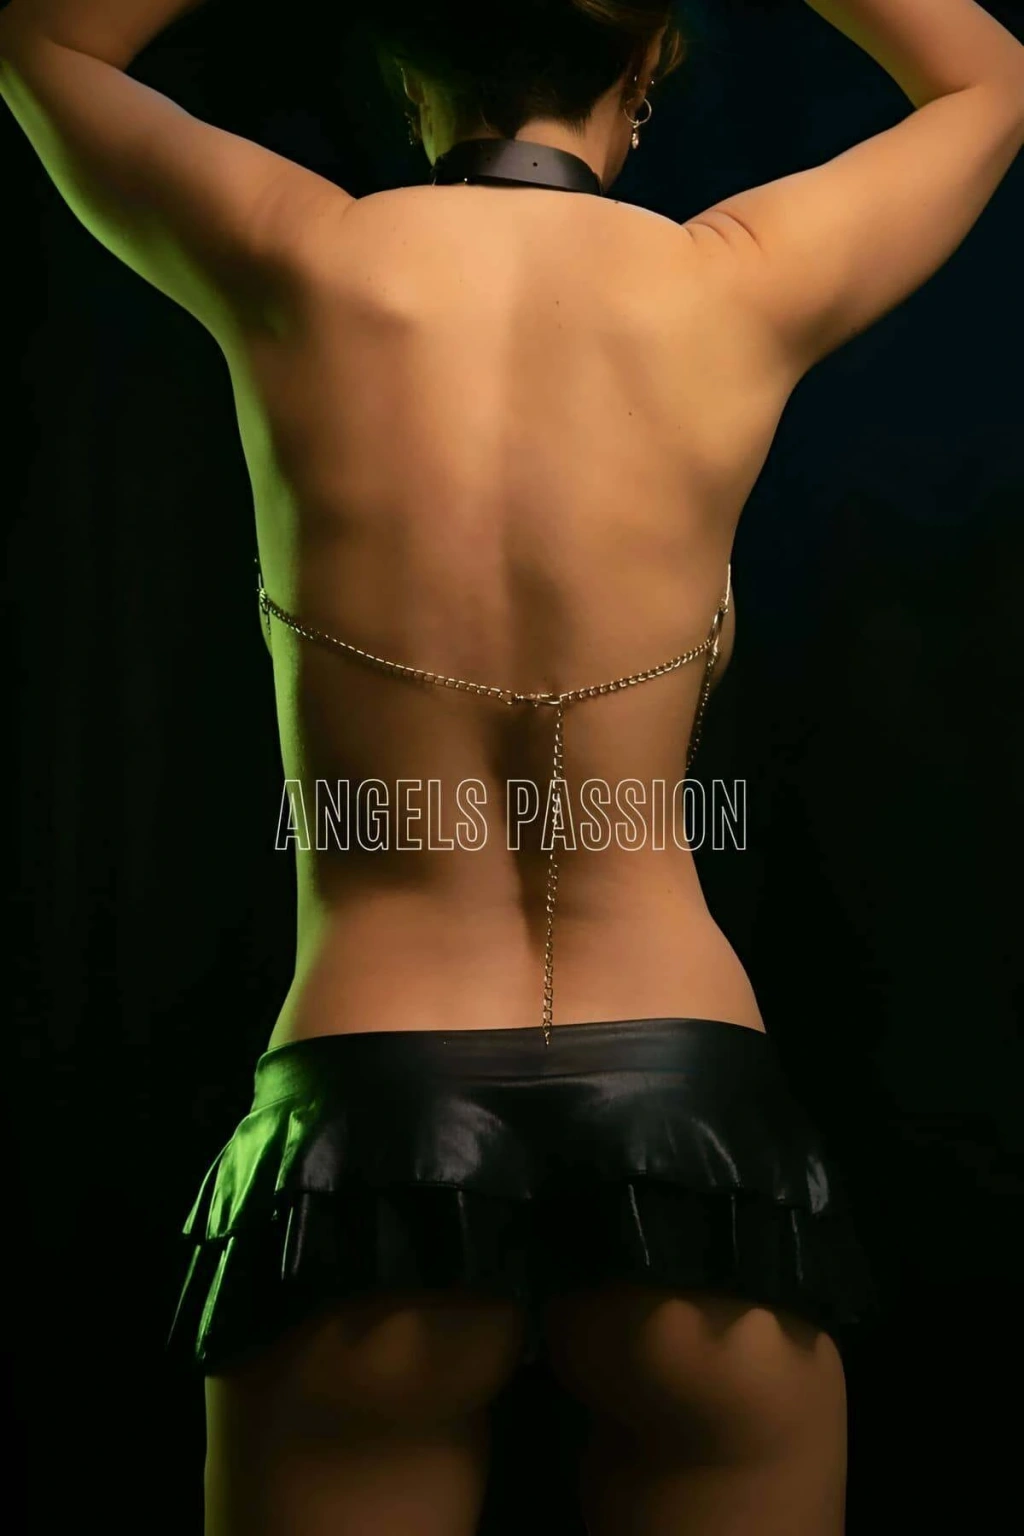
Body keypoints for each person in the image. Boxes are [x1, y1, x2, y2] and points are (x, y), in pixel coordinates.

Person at [3, 1, 1022, 1532]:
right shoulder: (734, 279)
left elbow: (42, 43)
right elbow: (990, 78)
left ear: (411, 67)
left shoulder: (301, 257)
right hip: (689, 1125)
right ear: (646, 62)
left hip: (367, 1112)